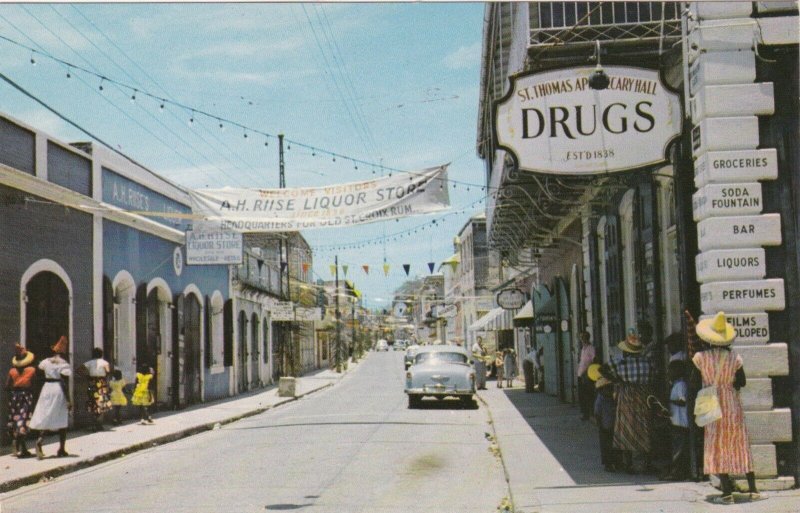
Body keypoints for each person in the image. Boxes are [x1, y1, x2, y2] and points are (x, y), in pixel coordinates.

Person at [692, 312, 760, 504]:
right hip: (732, 404)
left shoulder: (700, 358)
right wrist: (729, 385)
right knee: (739, 442)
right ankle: (753, 489)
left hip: (712, 402)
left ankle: (726, 492)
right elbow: (743, 382)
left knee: (717, 444)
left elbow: (694, 382)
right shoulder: (734, 358)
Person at [599, 328, 655, 474]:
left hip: (626, 396)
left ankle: (628, 463)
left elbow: (602, 369)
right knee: (643, 428)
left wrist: (616, 380)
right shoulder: (647, 362)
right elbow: (655, 376)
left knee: (625, 428)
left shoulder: (620, 363)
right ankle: (645, 463)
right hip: (643, 396)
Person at [29, 335, 72, 459]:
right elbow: (64, 382)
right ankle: (62, 448)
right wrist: (68, 399)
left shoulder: (45, 362)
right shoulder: (63, 363)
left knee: (46, 414)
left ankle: (40, 440)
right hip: (58, 388)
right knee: (61, 417)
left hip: (46, 388)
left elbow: (39, 370)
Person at [660, 360, 690, 481]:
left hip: (680, 422)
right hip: (675, 421)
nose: (669, 373)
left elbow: (683, 401)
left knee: (679, 449)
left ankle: (678, 473)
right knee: (677, 448)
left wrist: (669, 401)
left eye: (671, 370)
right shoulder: (676, 384)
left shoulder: (680, 385)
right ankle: (676, 471)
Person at [6, 344, 36, 458]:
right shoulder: (31, 370)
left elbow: (7, 386)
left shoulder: (12, 371)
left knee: (15, 419)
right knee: (23, 420)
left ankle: (19, 445)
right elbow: (33, 384)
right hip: (25, 395)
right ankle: (21, 447)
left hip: (14, 396)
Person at [82, 347, 112, 431]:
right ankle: (97, 422)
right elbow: (108, 372)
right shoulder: (105, 362)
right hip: (101, 383)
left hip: (92, 383)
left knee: (92, 401)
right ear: (101, 354)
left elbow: (79, 370)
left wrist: (88, 376)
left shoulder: (89, 363)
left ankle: (94, 423)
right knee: (101, 402)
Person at [593, 376, 618, 472]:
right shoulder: (600, 400)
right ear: (602, 389)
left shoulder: (612, 398)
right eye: (607, 388)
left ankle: (616, 462)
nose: (610, 390)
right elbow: (597, 413)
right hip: (604, 427)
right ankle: (608, 464)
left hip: (613, 425)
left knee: (614, 445)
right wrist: (600, 425)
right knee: (606, 446)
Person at [576, 331, 596, 421]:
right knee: (582, 395)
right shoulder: (583, 349)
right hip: (580, 374)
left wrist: (588, 370)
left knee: (588, 394)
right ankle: (584, 413)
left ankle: (589, 413)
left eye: (583, 338)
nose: (582, 340)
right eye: (581, 338)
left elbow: (593, 360)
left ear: (587, 338)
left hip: (587, 374)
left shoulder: (590, 348)